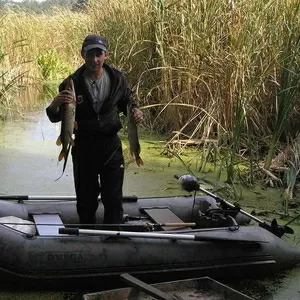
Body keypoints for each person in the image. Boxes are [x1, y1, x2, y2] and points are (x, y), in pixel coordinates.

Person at [46, 34, 144, 227]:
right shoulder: (71, 83)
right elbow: (55, 117)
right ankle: (87, 237)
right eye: (90, 54)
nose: (94, 60)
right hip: (84, 147)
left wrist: (136, 112)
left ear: (106, 55)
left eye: (98, 54)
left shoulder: (118, 79)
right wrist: (55, 103)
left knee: (114, 199)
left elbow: (128, 104)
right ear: (83, 55)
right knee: (86, 200)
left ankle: (113, 237)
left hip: (111, 147)